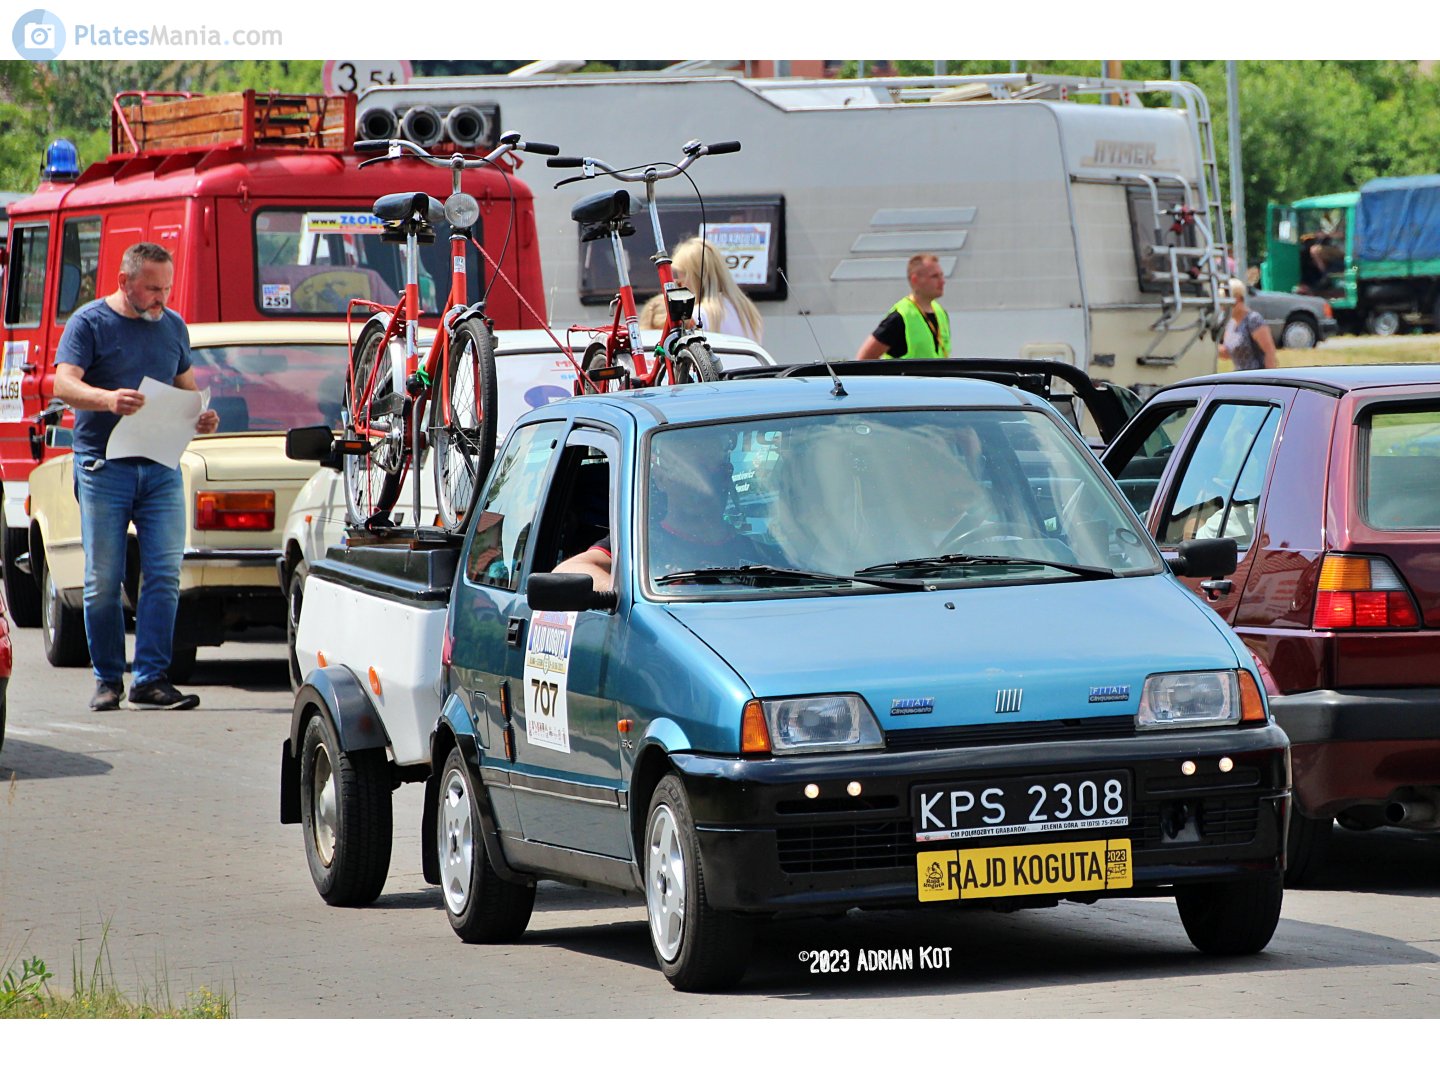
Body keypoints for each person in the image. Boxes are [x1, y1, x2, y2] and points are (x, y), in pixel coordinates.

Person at [53, 242, 220, 711]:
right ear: (124, 282)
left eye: (166, 287)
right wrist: (108, 400)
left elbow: (188, 390)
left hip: (161, 465)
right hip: (103, 466)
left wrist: (202, 416)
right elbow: (63, 384)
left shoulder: (173, 326)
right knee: (103, 579)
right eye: (152, 288)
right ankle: (109, 679)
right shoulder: (89, 323)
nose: (161, 298)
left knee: (164, 574)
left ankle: (151, 678)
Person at [856, 252, 950, 359]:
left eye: (941, 275)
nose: (942, 281)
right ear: (915, 280)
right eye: (935, 276)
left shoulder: (941, 313)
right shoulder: (900, 317)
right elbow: (864, 358)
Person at [670, 236, 764, 342]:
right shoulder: (746, 310)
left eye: (681, 276)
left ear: (695, 276)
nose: (679, 284)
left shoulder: (698, 316)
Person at [1218, 278, 1278, 371]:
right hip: (1240, 379)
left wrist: (1269, 380)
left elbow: (1269, 352)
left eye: (1224, 303)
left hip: (1256, 378)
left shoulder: (1253, 320)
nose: (1222, 308)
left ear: (1236, 299)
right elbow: (1228, 352)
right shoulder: (1231, 323)